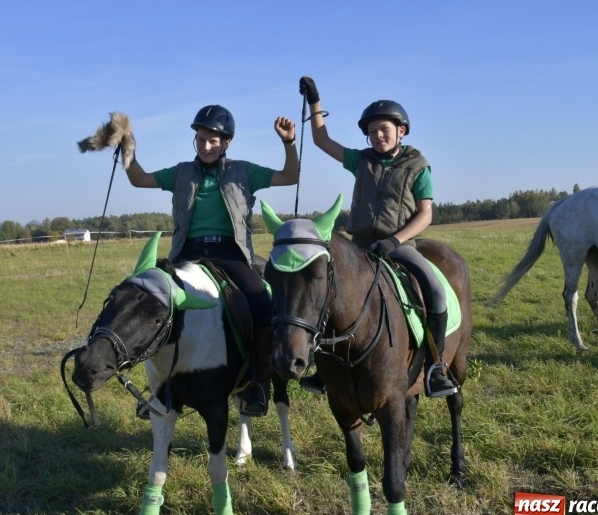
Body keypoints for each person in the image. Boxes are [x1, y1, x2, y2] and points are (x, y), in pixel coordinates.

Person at [124, 104, 300, 415]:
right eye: (201, 140)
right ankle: (160, 389)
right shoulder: (181, 173)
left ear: (226, 142)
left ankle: (258, 384)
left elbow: (291, 175)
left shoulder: (244, 171)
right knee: (151, 300)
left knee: (262, 304)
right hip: (187, 252)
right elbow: (138, 179)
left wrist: (288, 143)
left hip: (230, 253)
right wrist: (127, 148)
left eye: (213, 141)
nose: (205, 146)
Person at [297, 76, 457, 398]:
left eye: (384, 129)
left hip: (398, 247)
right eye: (371, 132)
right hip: (358, 247)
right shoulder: (361, 160)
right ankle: (323, 368)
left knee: (436, 293)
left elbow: (425, 214)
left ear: (401, 130)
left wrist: (395, 241)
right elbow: (321, 140)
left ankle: (435, 368)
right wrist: (315, 101)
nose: (377, 135)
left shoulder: (418, 166)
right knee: (323, 291)